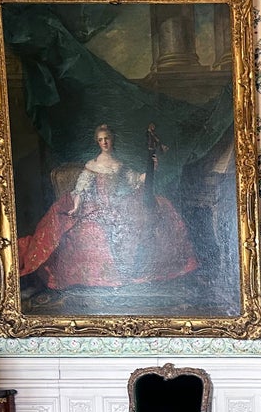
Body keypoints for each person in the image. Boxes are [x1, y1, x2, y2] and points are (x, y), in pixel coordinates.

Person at [19, 123, 197, 290]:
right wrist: (75, 207)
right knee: (94, 231)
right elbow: (81, 189)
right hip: (96, 205)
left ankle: (138, 269)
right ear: (97, 142)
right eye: (101, 139)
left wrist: (152, 167)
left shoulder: (120, 165)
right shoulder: (92, 164)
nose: (104, 142)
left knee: (149, 216)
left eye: (107, 138)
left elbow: (135, 180)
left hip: (118, 203)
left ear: (112, 140)